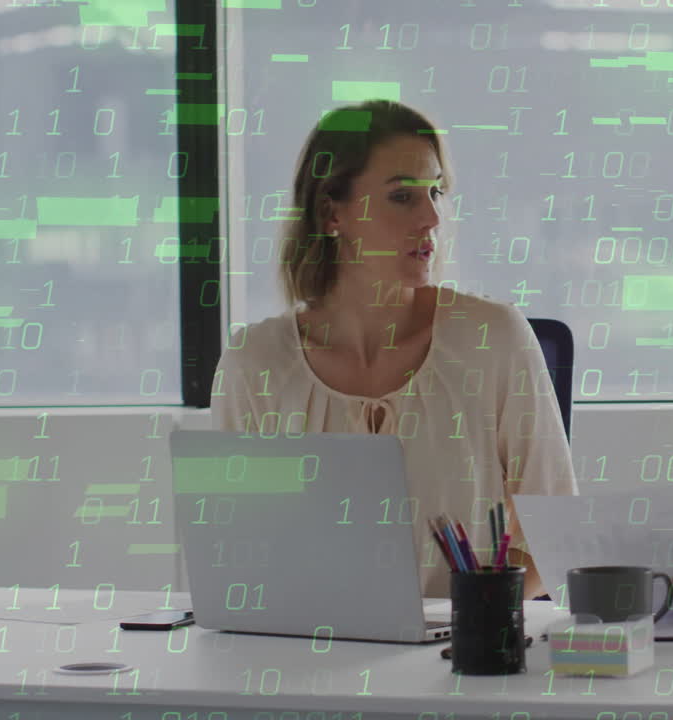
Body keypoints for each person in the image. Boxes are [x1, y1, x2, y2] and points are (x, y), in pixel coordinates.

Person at [210, 100, 577, 600]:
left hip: (464, 661)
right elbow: (238, 555)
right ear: (330, 212)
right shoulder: (254, 364)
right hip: (310, 658)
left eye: (435, 193)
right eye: (403, 196)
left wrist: (474, 617)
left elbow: (555, 536)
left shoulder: (494, 337)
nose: (431, 217)